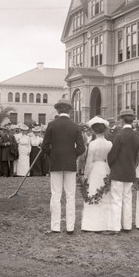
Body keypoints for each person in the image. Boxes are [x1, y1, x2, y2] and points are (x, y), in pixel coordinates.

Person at [41, 99, 86, 234]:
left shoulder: (52, 125)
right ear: (69, 111)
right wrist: (73, 155)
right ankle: (70, 227)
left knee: (56, 194)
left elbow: (44, 146)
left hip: (55, 163)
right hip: (70, 164)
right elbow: (82, 148)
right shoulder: (75, 126)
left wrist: (53, 154)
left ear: (58, 110)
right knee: (70, 195)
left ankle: (55, 226)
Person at [107, 109, 139, 234]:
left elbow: (113, 154)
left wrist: (111, 165)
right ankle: (127, 226)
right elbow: (137, 155)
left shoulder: (119, 135)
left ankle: (115, 227)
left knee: (116, 199)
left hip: (118, 170)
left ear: (122, 120)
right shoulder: (136, 135)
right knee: (127, 198)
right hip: (130, 170)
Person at [81, 117, 113, 232]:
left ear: (94, 131)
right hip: (105, 168)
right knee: (104, 194)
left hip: (95, 169)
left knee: (94, 191)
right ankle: (105, 223)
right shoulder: (109, 143)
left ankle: (92, 224)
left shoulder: (93, 144)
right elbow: (110, 160)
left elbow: (89, 162)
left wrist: (85, 176)